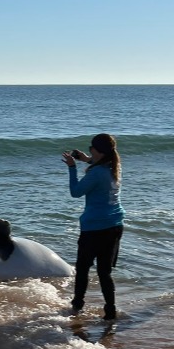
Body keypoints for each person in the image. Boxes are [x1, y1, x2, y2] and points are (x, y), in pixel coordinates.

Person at [61, 133, 125, 319]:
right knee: (105, 272)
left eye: (91, 148)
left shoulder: (97, 173)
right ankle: (110, 311)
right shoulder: (114, 166)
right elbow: (99, 168)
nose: (89, 150)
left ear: (98, 151)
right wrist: (87, 160)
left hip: (95, 228)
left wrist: (72, 168)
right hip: (115, 224)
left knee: (83, 269)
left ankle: (77, 306)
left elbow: (76, 192)